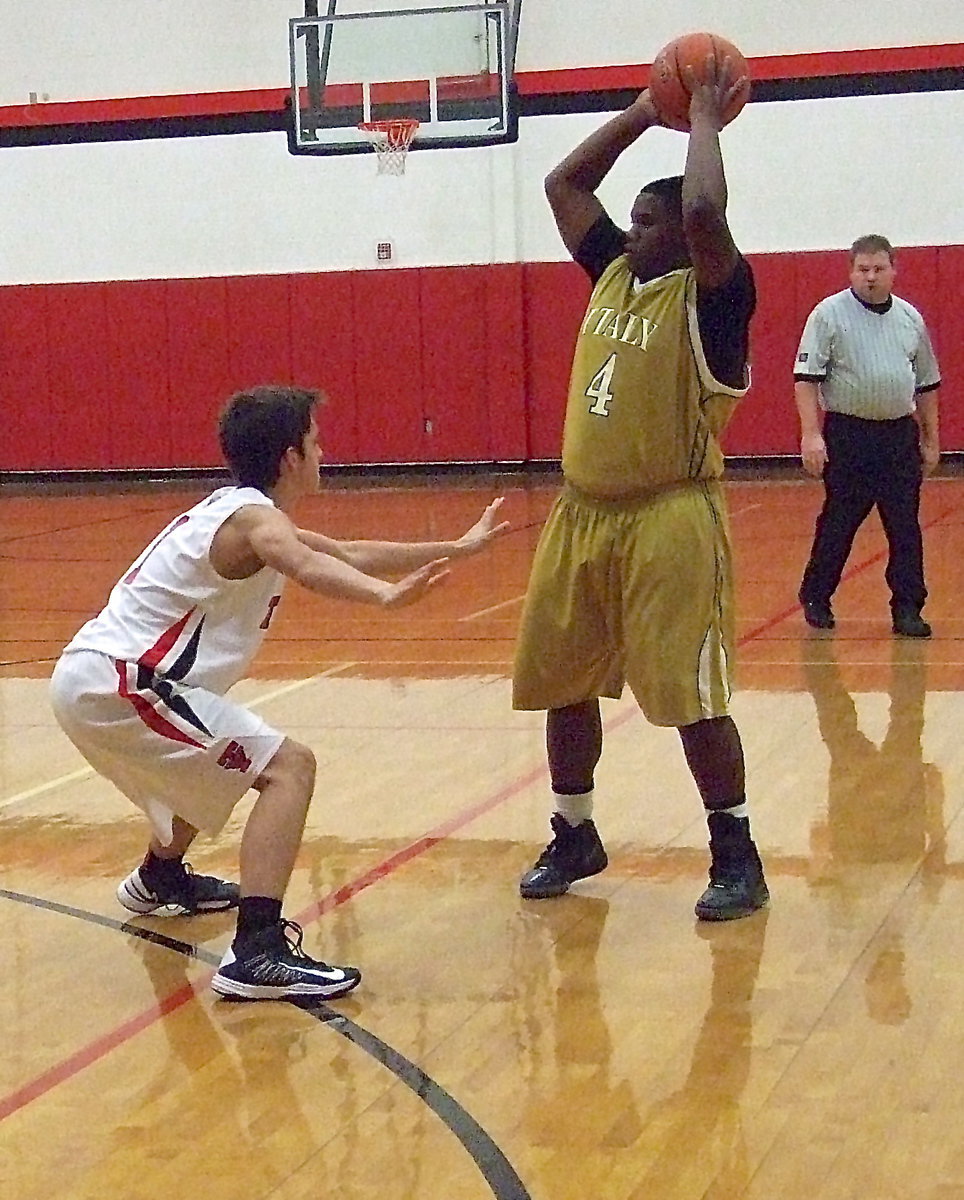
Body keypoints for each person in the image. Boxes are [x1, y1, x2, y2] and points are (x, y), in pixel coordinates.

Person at [49, 385, 509, 1002]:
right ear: (291, 456)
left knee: (219, 752)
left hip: (106, 680)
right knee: (288, 768)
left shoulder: (241, 510)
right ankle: (257, 953)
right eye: (316, 440)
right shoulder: (257, 522)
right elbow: (309, 567)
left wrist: (457, 546)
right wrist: (386, 598)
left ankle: (159, 879)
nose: (325, 450)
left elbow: (344, 551)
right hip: (123, 684)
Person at [512, 59, 767, 921]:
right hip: (581, 511)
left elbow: (702, 211)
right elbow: (564, 181)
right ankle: (574, 830)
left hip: (670, 514)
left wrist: (701, 115)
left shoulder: (717, 302)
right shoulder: (616, 272)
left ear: (680, 238)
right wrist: (639, 111)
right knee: (563, 681)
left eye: (645, 220)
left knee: (691, 697)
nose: (630, 227)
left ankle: (736, 853)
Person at [795, 234, 941, 638]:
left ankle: (908, 607)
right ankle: (817, 595)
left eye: (879, 269)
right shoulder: (827, 315)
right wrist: (811, 435)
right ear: (851, 271)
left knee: (905, 526)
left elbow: (927, 384)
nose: (871, 277)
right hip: (848, 435)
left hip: (898, 437)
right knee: (839, 522)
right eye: (863, 269)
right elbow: (806, 379)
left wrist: (930, 439)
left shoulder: (910, 319)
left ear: (894, 271)